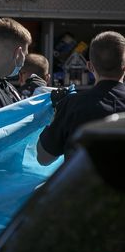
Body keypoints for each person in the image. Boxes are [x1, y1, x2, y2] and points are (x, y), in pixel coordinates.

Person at [37, 31, 125, 165]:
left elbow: (43, 158)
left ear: (89, 66)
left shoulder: (72, 105)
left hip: (83, 185)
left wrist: (54, 116)